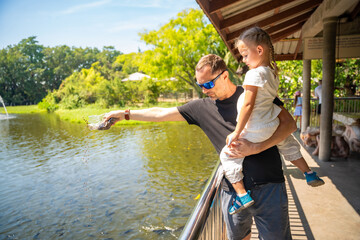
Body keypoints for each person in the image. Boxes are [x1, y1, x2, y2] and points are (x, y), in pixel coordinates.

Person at [103, 54, 298, 239]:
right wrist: (124, 114)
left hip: (270, 185)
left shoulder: (253, 91)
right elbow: (160, 113)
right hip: (232, 191)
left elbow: (289, 125)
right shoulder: (201, 108)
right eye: (200, 85)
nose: (204, 90)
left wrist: (256, 148)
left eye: (208, 84)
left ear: (225, 76)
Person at [219, 27, 324, 216]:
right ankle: (308, 173)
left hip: (255, 127)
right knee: (286, 142)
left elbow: (248, 105)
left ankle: (242, 195)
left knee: (227, 155)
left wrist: (237, 131)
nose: (243, 60)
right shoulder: (272, 73)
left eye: (244, 54)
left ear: (259, 50)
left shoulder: (254, 74)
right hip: (270, 123)